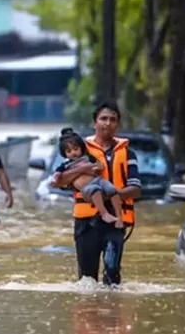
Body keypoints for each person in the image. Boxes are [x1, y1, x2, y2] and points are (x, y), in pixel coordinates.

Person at [53, 101, 141, 286]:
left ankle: (112, 313)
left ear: (118, 124)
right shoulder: (78, 149)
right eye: (103, 119)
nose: (107, 123)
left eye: (112, 119)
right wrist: (83, 168)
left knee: (112, 272)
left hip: (117, 221)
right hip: (86, 223)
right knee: (87, 280)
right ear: (94, 123)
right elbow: (60, 181)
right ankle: (89, 313)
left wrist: (106, 195)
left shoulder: (128, 154)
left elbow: (135, 189)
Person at [52, 128, 124, 228]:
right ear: (64, 154)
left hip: (98, 180)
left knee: (112, 189)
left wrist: (96, 167)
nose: (73, 153)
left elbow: (99, 166)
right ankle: (104, 214)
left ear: (81, 148)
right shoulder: (66, 164)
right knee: (95, 190)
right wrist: (82, 169)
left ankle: (119, 217)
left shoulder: (88, 157)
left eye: (76, 149)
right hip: (87, 188)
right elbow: (57, 176)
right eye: (69, 151)